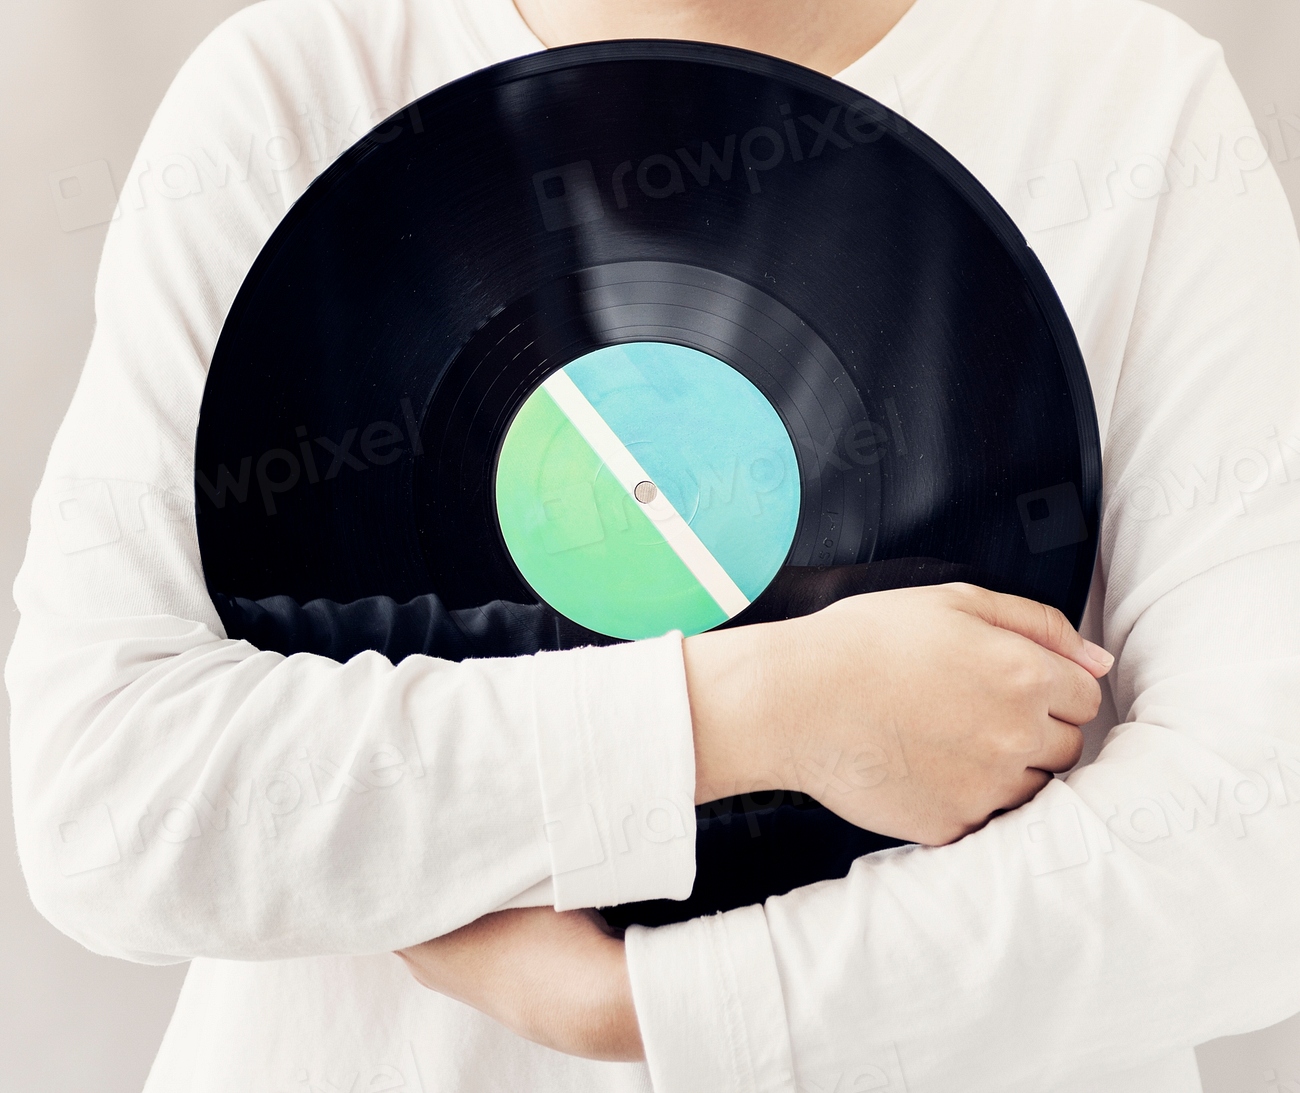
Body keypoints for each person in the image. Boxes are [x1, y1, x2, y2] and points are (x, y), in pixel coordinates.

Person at [6, 0, 1299, 1091]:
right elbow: (107, 790)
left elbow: (1259, 838)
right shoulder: (297, 83)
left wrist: (647, 1007)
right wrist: (755, 711)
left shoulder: (1132, 108)